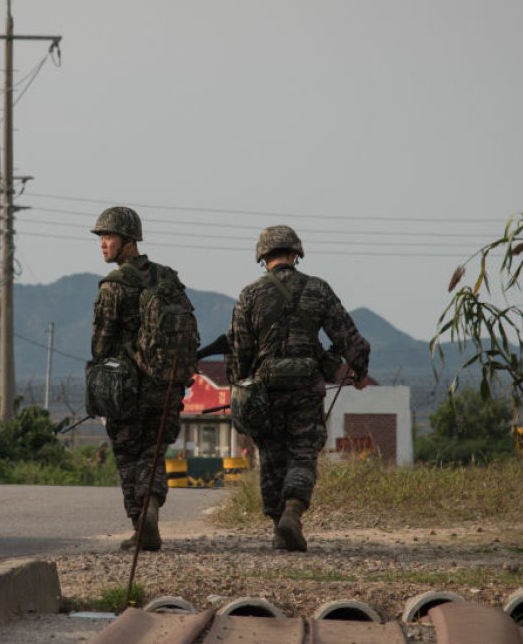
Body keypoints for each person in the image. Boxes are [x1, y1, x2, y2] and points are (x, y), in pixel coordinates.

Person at [227, 225, 370, 552]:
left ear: (263, 258)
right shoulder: (317, 290)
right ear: (295, 254)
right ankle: (293, 512)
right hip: (307, 389)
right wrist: (360, 371)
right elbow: (348, 336)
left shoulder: (249, 295)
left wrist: (240, 393)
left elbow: (239, 353)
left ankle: (280, 526)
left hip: (266, 390)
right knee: (303, 454)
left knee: (273, 456)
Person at [88, 206, 196, 552]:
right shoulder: (168, 278)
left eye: (109, 237)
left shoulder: (113, 286)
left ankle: (140, 523)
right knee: (153, 453)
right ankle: (151, 507)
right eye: (102, 237)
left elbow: (101, 344)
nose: (103, 244)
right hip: (166, 385)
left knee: (128, 456)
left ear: (128, 240)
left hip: (128, 389)